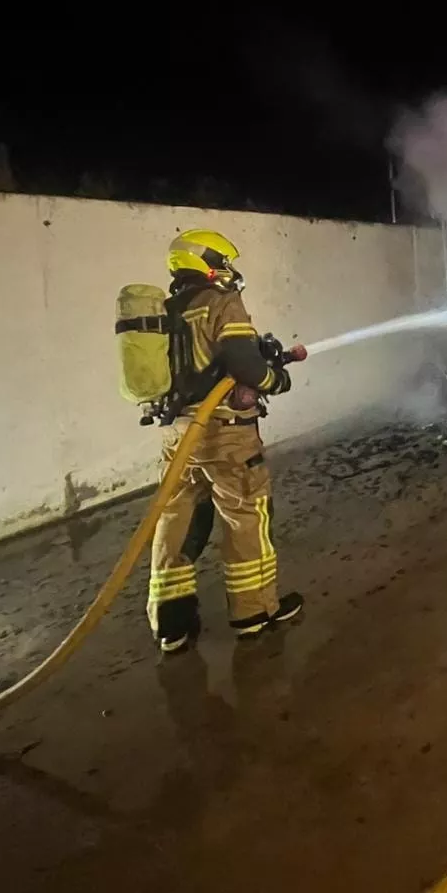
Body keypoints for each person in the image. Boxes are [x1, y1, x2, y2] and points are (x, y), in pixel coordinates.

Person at [146, 228, 304, 654]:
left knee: (175, 521)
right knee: (246, 517)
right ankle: (254, 611)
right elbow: (243, 363)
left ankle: (171, 623)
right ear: (201, 261)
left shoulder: (168, 309)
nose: (227, 270)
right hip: (226, 436)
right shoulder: (221, 303)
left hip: (178, 437)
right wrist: (277, 378)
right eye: (221, 261)